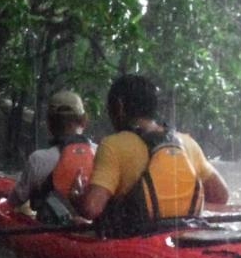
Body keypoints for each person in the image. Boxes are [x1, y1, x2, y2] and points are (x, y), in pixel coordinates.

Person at [77, 74, 228, 231]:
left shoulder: (113, 145)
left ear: (119, 107)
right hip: (186, 236)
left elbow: (91, 208)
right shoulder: (187, 143)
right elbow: (221, 196)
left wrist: (78, 198)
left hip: (135, 239)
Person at [7, 89, 96, 225]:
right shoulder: (101, 153)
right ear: (84, 120)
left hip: (49, 232)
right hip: (91, 232)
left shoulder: (38, 159)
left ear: (49, 123)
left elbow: (14, 202)